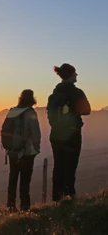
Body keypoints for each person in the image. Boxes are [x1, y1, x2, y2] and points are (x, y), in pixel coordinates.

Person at [46, 63, 91, 202]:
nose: (77, 75)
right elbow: (87, 110)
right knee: (70, 166)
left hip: (56, 135)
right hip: (72, 134)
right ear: (70, 75)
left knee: (58, 166)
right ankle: (69, 198)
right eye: (75, 73)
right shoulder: (77, 93)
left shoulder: (54, 94)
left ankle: (56, 199)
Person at [1, 89, 41, 212]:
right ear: (32, 99)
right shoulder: (30, 113)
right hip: (26, 152)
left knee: (13, 177)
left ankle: (11, 206)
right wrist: (37, 148)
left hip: (12, 151)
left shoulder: (12, 111)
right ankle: (25, 207)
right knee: (25, 180)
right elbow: (35, 133)